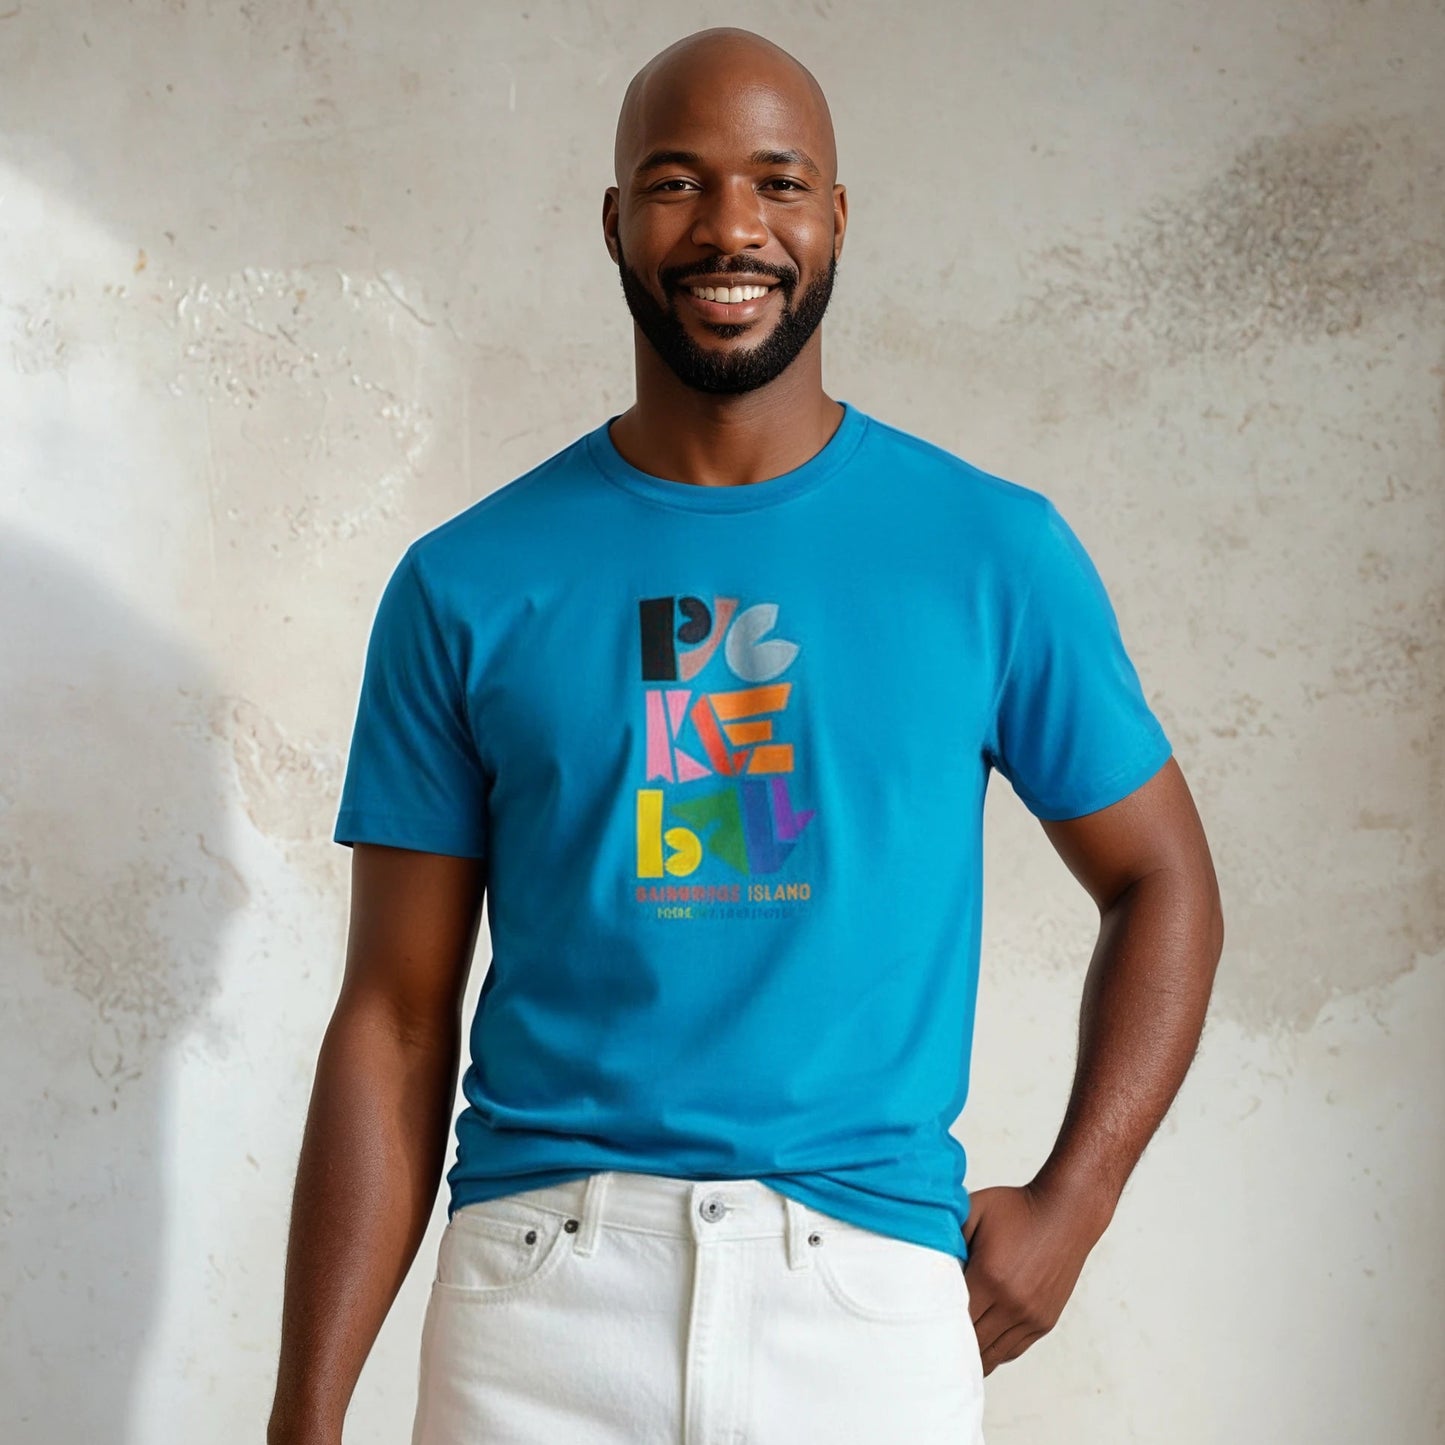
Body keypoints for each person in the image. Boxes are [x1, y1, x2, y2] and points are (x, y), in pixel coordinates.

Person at [266, 25, 1224, 1445]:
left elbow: (1165, 882)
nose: (730, 226)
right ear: (613, 221)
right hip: (539, 1300)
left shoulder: (987, 551)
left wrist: (1074, 1201)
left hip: (867, 1299)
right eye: (674, 181)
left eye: (778, 182)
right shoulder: (465, 582)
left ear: (834, 215)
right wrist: (306, 1412)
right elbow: (395, 1015)